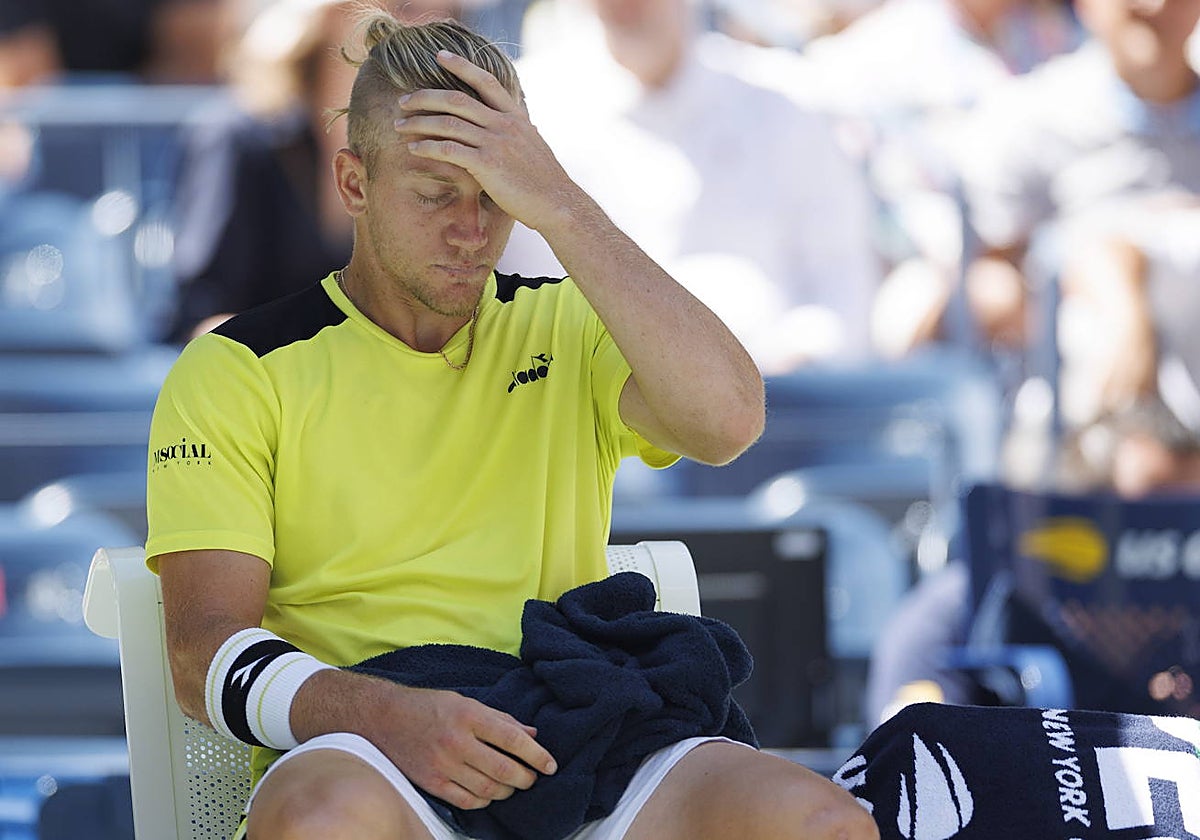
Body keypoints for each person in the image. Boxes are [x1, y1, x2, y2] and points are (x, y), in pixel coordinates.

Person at [146, 12, 878, 840]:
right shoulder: (237, 367)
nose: (471, 232)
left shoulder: (570, 320)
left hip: (575, 724)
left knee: (824, 823)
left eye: (496, 199)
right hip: (363, 747)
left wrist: (564, 205)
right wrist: (393, 718)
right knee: (322, 823)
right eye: (433, 197)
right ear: (353, 183)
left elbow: (729, 422)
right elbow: (199, 652)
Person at [502, 0, 881, 372]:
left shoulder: (789, 103)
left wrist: (794, 358)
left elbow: (843, 289)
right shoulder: (522, 110)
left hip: (786, 412)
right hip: (586, 409)